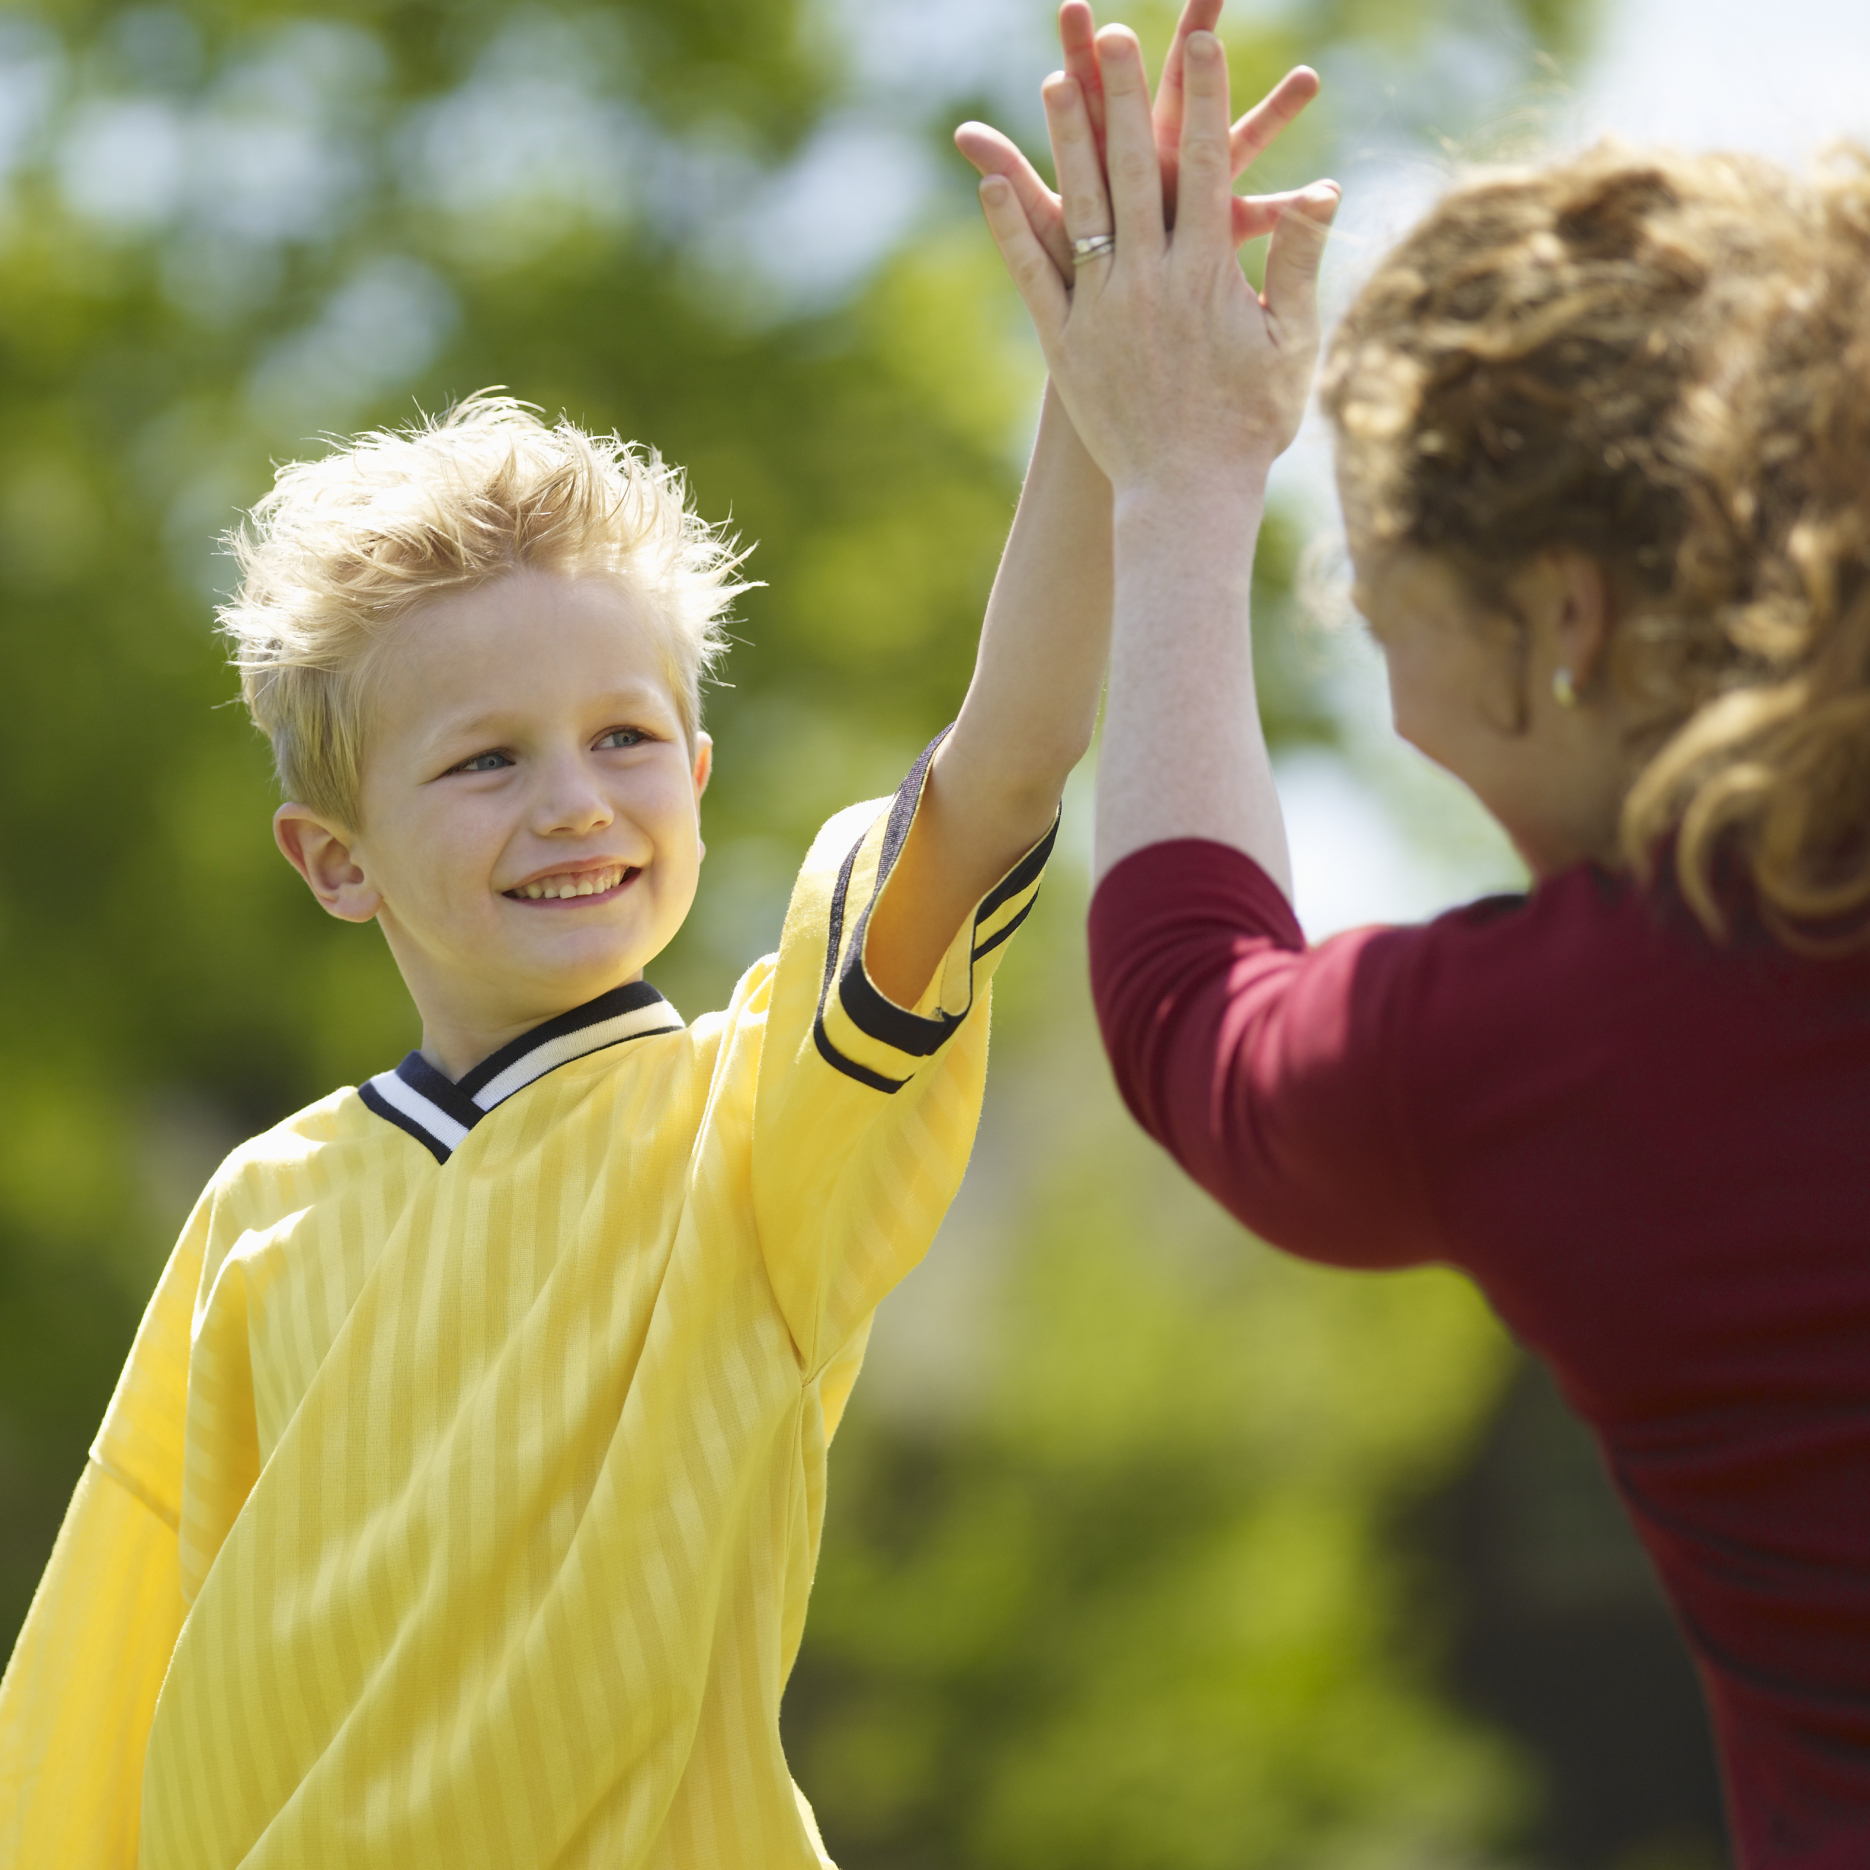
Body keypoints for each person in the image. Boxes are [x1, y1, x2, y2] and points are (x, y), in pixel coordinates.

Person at [0, 6, 1325, 1856]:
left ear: (699, 774)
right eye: (483, 759)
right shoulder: (256, 1213)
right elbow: (90, 1705)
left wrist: (1097, 399)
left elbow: (1002, 770)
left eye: (627, 739)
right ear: (334, 857)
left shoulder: (761, 1127)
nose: (575, 802)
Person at [965, 12, 1870, 1866]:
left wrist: (1185, 487)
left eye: (1387, 613)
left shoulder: (1567, 1047)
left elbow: (1185, 1003)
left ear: (1565, 618)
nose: (1398, 721)